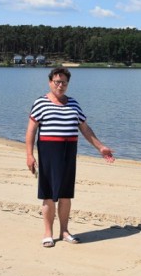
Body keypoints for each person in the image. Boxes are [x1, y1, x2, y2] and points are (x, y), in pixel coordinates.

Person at [25, 67, 114, 248]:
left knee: (65, 195)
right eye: (57, 82)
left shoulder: (73, 104)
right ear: (50, 82)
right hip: (49, 152)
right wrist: (29, 155)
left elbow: (85, 129)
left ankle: (64, 231)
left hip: (68, 151)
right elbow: (31, 131)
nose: (61, 85)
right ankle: (48, 233)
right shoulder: (40, 103)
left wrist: (100, 147)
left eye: (64, 82)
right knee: (48, 195)